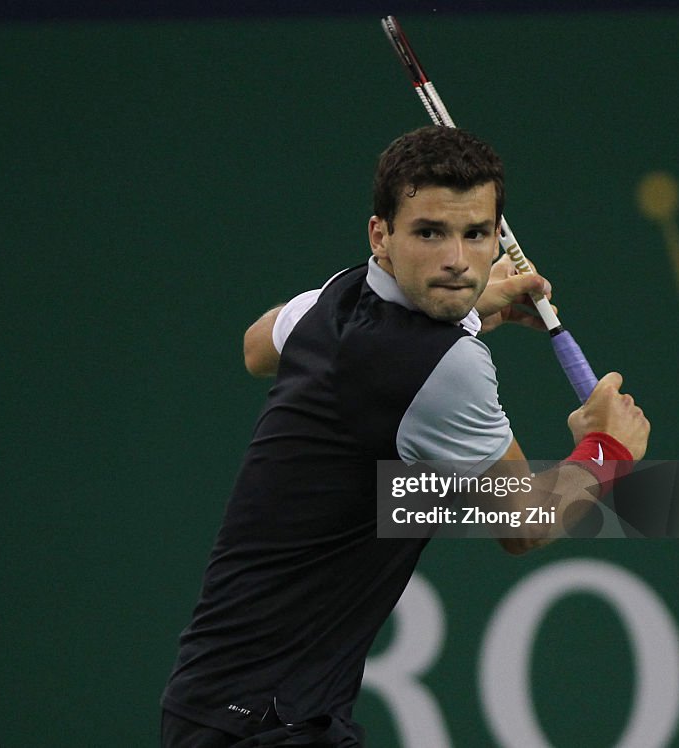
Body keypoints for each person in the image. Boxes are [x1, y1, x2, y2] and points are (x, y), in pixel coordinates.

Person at [160, 125, 649, 747]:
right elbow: (524, 526)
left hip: (217, 705)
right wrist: (607, 449)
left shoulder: (335, 297)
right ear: (381, 236)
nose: (455, 259)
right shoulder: (446, 368)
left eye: (476, 234)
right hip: (267, 722)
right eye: (429, 233)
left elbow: (258, 347)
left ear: (498, 237)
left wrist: (474, 309)